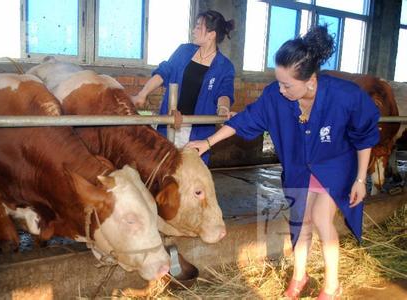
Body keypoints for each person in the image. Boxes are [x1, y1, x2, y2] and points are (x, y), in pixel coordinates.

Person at [187, 26, 379, 299]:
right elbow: (245, 119)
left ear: (311, 80)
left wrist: (360, 178)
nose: (280, 89)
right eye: (278, 81)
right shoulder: (275, 96)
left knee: (322, 219)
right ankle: (300, 277)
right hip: (299, 168)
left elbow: (365, 136)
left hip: (334, 167)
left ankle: (332, 285)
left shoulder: (345, 95)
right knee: (301, 222)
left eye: (287, 84)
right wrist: (207, 143)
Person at [131, 10, 235, 164]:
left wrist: (223, 109)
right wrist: (143, 93)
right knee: (162, 170)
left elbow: (224, 93)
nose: (194, 30)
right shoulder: (184, 51)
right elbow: (163, 72)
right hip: (170, 123)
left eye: (199, 27)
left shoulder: (224, 66)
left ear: (211, 34)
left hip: (197, 132)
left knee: (190, 177)